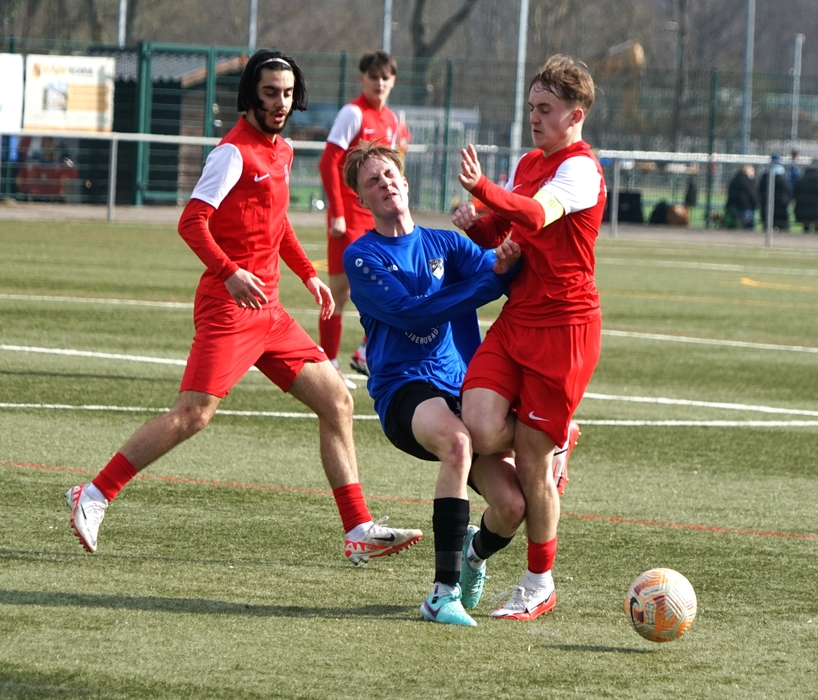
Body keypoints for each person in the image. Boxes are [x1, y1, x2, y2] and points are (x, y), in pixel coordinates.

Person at [64, 50, 422, 566]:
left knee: (337, 401)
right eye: (270, 92)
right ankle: (94, 493)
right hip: (228, 309)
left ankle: (358, 528)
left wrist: (308, 274)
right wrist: (230, 272)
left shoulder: (284, 150)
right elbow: (191, 221)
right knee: (193, 415)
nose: (280, 102)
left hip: (270, 313)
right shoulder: (232, 153)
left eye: (288, 93)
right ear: (251, 95)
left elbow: (276, 223)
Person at [342, 142, 533, 626]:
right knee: (457, 441)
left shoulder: (445, 244)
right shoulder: (361, 257)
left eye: (390, 175)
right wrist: (491, 281)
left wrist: (507, 247)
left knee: (512, 506)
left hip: (458, 386)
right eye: (372, 181)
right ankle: (441, 595)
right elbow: (413, 313)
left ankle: (473, 554)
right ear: (362, 200)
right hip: (403, 389)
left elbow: (500, 268)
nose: (385, 184)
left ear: (405, 183)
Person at [450, 54, 604, 621]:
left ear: (575, 115)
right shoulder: (529, 161)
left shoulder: (581, 170)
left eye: (545, 109)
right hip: (519, 319)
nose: (534, 117)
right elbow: (507, 228)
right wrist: (476, 220)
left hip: (565, 330)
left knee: (533, 460)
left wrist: (484, 188)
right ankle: (555, 437)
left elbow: (536, 216)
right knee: (479, 426)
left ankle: (539, 582)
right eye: (532, 107)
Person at [318, 50, 403, 386]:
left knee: (390, 283)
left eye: (385, 77)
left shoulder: (392, 120)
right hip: (349, 221)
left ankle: (366, 352)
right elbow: (328, 161)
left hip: (374, 220)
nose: (379, 83)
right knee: (340, 294)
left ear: (393, 81)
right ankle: (329, 365)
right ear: (362, 79)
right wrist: (337, 212)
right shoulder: (352, 113)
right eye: (373, 77)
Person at [792, 159, 818, 233]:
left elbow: (794, 194)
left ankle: (806, 234)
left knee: (806, 228)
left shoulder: (801, 181)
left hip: (803, 213)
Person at [758, 153, 792, 231]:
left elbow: (760, 191)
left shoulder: (764, 176)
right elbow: (788, 190)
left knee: (767, 227)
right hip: (781, 205)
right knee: (783, 228)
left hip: (767, 205)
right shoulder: (783, 177)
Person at [724, 164, 757, 229]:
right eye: (751, 171)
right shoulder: (746, 181)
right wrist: (755, 203)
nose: (753, 173)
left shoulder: (735, 179)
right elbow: (752, 194)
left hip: (736, 206)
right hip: (746, 207)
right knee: (748, 227)